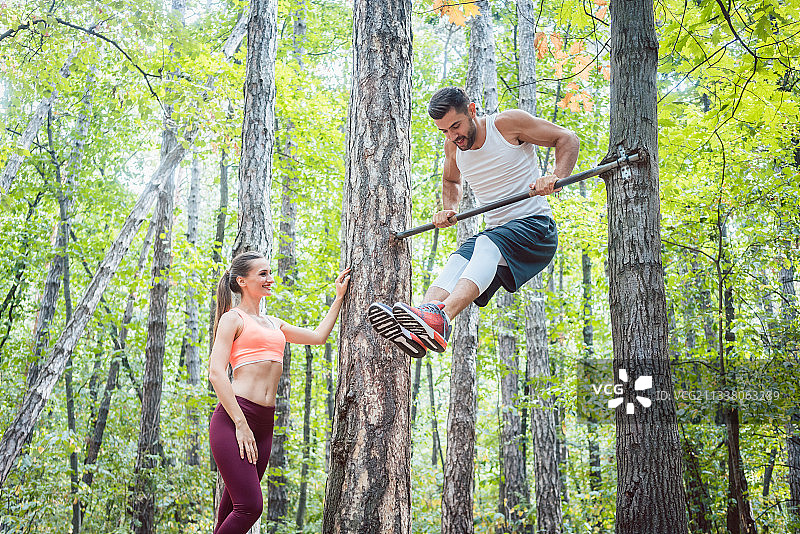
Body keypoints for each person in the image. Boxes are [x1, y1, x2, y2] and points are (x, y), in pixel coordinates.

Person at [369, 86, 579, 356]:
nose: (452, 136)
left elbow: (567, 138)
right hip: (499, 233)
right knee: (459, 258)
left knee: (486, 244)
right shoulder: (453, 146)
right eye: (444, 131)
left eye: (455, 126)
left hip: (536, 228)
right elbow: (451, 180)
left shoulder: (507, 124)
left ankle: (442, 318)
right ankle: (420, 327)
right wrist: (449, 208)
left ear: (471, 110)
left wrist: (556, 176)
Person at [208, 251, 350, 533]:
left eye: (270, 273)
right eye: (263, 274)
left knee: (232, 508)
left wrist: (339, 298)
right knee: (249, 507)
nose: (270, 279)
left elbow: (318, 336)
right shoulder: (232, 319)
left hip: (264, 423)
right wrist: (241, 425)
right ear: (242, 281)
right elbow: (215, 373)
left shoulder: (275, 324)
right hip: (234, 419)